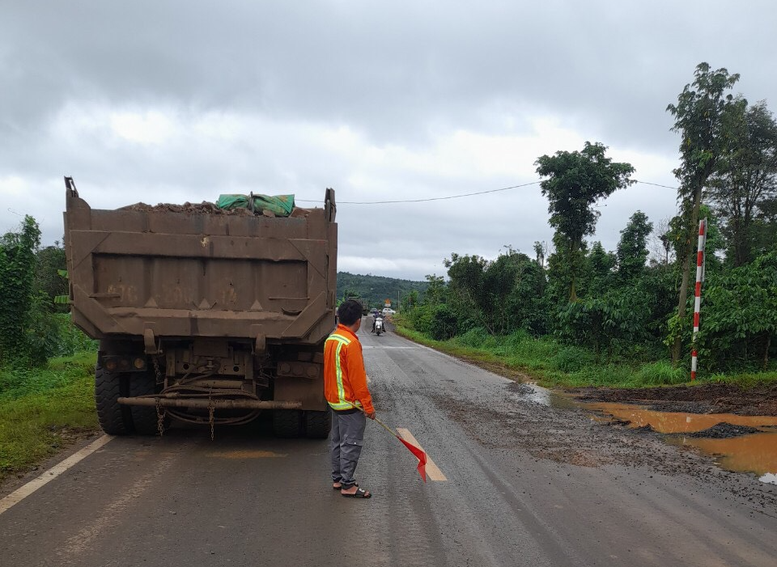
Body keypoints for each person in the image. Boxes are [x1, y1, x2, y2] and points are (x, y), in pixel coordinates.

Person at [324, 299, 376, 498]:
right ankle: (348, 485)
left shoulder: (332, 339)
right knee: (351, 444)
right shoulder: (351, 343)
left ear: (338, 317)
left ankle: (338, 479)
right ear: (358, 320)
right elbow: (358, 380)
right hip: (349, 404)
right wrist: (368, 407)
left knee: (337, 442)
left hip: (334, 402)